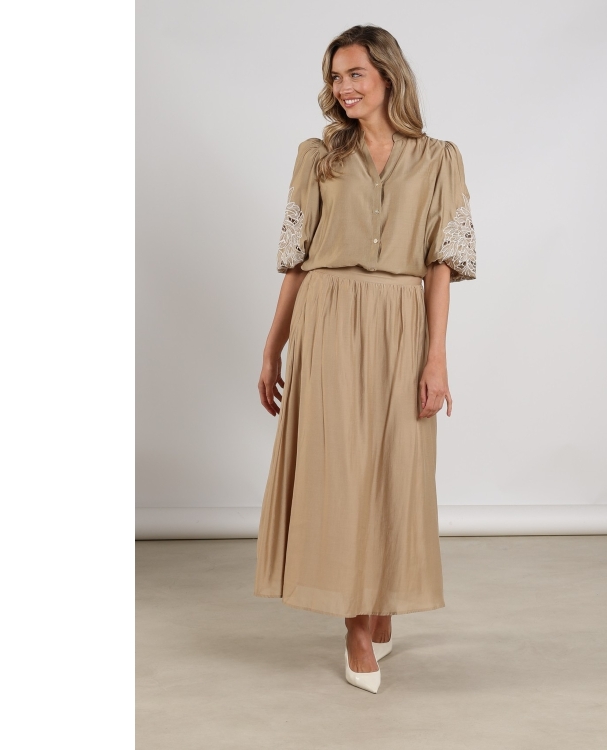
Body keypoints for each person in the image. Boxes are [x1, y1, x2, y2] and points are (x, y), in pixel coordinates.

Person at [253, 24, 476, 694]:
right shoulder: (318, 155)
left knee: (397, 466)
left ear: (387, 75)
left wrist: (436, 358)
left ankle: (380, 596)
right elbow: (295, 262)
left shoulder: (438, 159)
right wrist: (272, 348)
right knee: (344, 469)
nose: (343, 88)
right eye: (335, 76)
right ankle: (355, 626)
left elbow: (440, 265)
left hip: (402, 320)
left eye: (354, 73)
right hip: (327, 316)